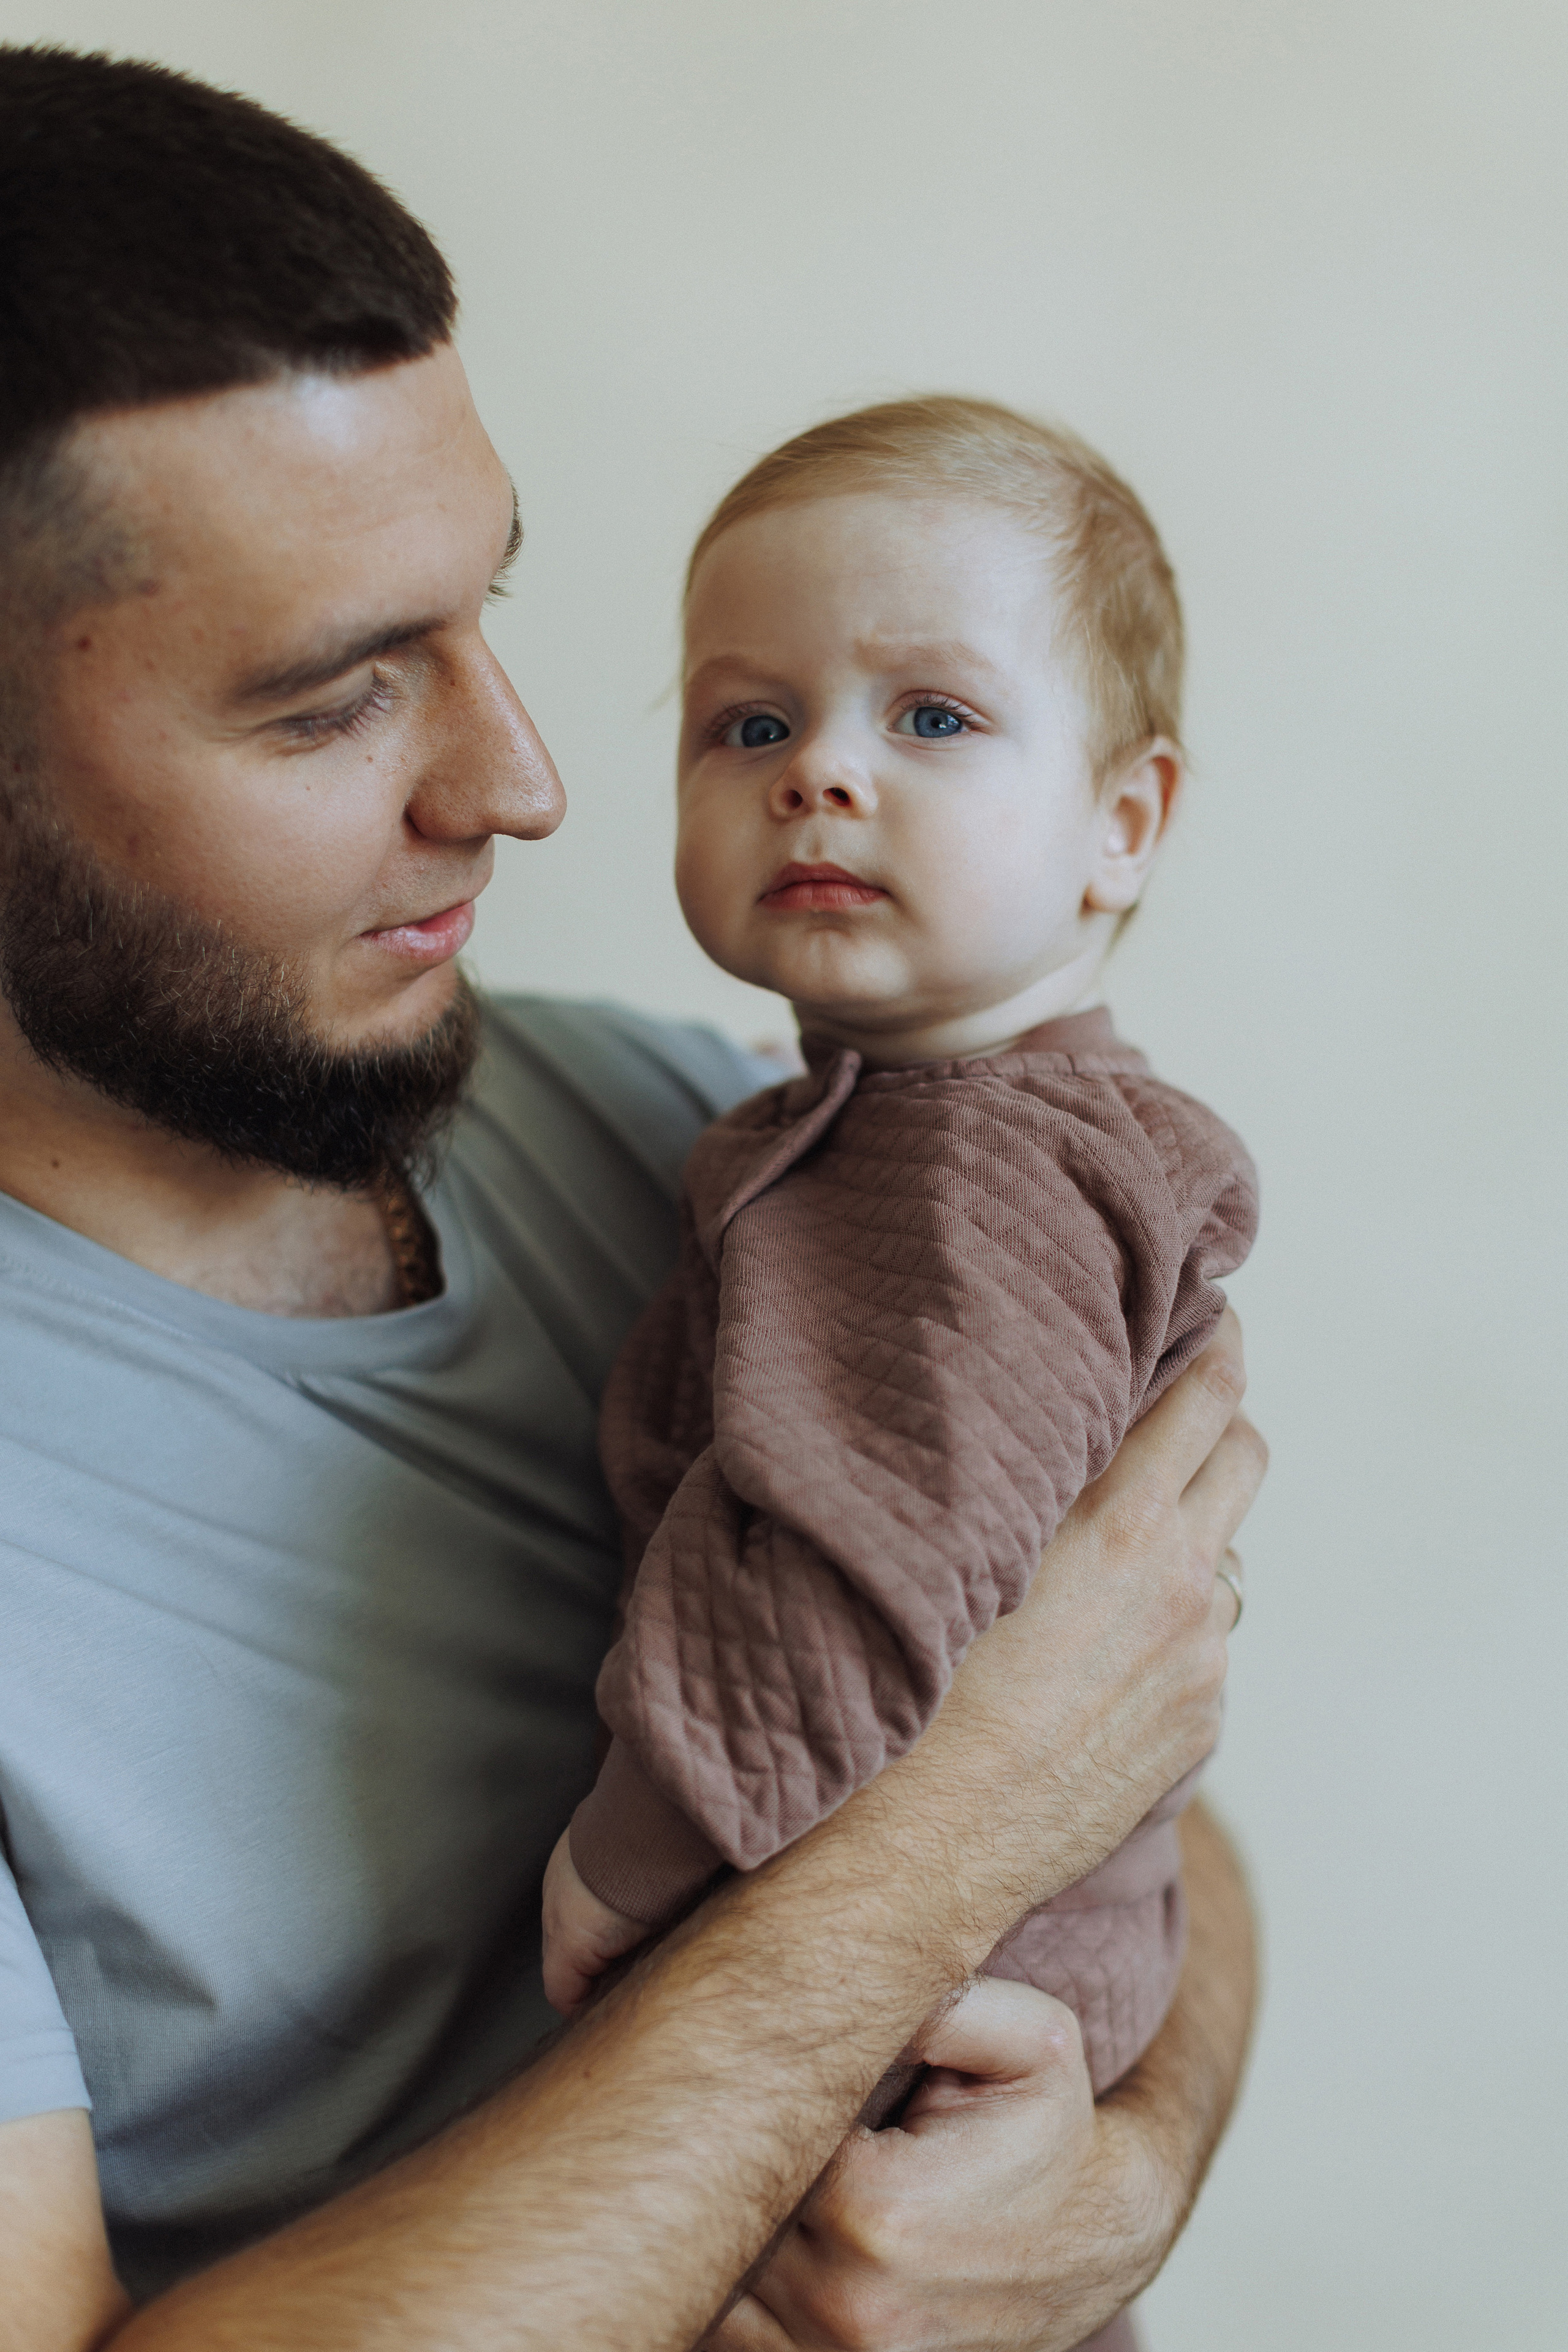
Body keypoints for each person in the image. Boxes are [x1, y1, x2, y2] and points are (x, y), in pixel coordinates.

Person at [0, 44, 1265, 2351]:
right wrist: (940, 1848)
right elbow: (1012, 1772)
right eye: (327, 705)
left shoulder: (717, 1139)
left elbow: (1144, 1752)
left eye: (487, 614)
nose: (527, 782)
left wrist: (1133, 2171)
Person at [543, 401, 1257, 2113]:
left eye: (933, 714)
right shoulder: (878, 1124)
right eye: (749, 721)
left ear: (1125, 822)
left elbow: (864, 1580)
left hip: (930, 2033)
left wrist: (626, 1862)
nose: (820, 770)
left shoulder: (979, 1169)